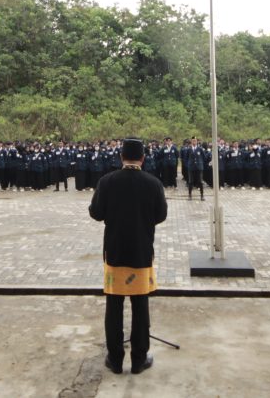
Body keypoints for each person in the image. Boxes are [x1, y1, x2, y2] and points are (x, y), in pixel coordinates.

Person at [88, 137, 167, 376]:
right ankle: (139, 359)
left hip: (114, 252)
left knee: (114, 307)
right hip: (141, 252)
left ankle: (115, 359)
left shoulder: (107, 181)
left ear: (121, 157)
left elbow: (96, 213)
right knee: (140, 306)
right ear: (142, 158)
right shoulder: (153, 183)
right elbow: (161, 215)